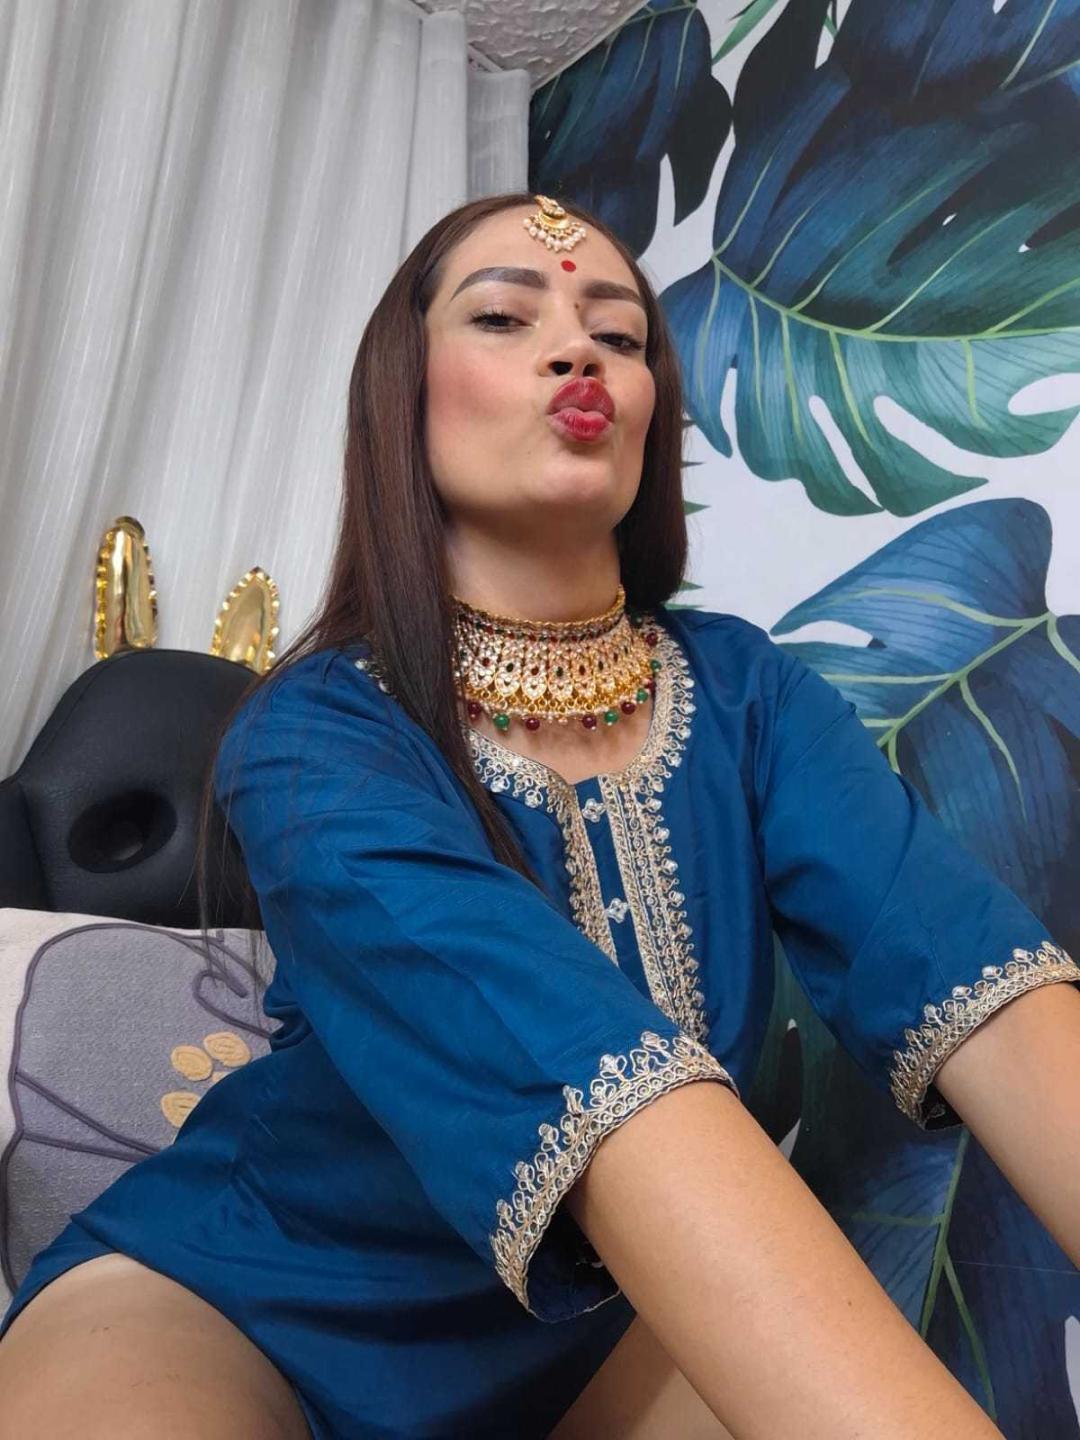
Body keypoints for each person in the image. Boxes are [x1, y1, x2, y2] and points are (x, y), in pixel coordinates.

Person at [0, 191, 1077, 1440]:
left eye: (620, 336)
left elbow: (974, 980)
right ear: (402, 395)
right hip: (253, 1306)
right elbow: (566, 1053)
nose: (577, 351)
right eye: (506, 318)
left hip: (595, 1339)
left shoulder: (748, 695)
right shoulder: (314, 731)